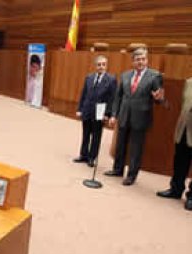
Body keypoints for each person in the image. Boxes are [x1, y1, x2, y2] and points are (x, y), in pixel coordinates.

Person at [104, 47, 164, 185]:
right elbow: (118, 97)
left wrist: (158, 98)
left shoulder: (155, 76)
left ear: (147, 60)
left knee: (136, 148)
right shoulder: (125, 75)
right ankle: (117, 169)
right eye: (138, 60)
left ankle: (131, 175)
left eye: (143, 59)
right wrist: (114, 114)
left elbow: (159, 98)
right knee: (120, 145)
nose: (141, 62)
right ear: (133, 61)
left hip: (140, 118)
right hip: (124, 115)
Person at [73, 55, 117, 167]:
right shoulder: (89, 77)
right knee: (86, 134)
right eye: (99, 64)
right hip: (87, 109)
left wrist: (108, 114)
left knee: (96, 136)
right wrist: (80, 109)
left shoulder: (111, 80)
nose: (101, 67)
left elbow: (112, 99)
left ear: (106, 66)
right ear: (95, 66)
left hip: (100, 111)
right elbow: (83, 94)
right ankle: (83, 155)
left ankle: (92, 158)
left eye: (103, 64)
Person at [157, 77, 192, 210]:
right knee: (179, 161)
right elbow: (184, 104)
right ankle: (176, 189)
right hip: (183, 128)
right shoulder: (189, 82)